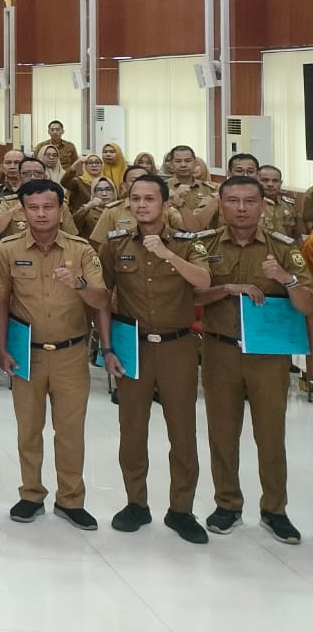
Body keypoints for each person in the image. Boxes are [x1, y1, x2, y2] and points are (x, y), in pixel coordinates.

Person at [0, 179, 110, 530]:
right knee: (29, 430)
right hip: (28, 354)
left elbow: (102, 299)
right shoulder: (8, 249)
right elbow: (1, 302)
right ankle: (31, 494)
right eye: (34, 208)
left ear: (61, 209)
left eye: (48, 207)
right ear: (23, 211)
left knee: (70, 432)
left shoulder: (81, 250)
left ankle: (71, 500)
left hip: (71, 354)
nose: (41, 214)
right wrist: (2, 349)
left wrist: (79, 284)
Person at [196, 175, 313, 543]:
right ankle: (227, 504)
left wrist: (286, 279)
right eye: (233, 201)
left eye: (250, 201)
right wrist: (226, 288)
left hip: (269, 355)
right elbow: (190, 296)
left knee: (271, 433)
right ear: (221, 204)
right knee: (222, 432)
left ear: (263, 205)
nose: (242, 208)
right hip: (220, 350)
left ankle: (274, 509)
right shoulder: (204, 245)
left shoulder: (284, 248)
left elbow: (308, 305)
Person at [98, 173, 211, 544]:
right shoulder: (115, 244)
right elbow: (102, 299)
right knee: (131, 431)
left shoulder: (186, 243)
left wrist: (166, 254)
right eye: (136, 198)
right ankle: (136, 503)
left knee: (183, 432)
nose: (142, 205)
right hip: (133, 347)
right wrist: (107, 349)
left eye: (149, 198)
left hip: (178, 347)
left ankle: (181, 510)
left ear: (165, 203)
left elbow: (204, 281)